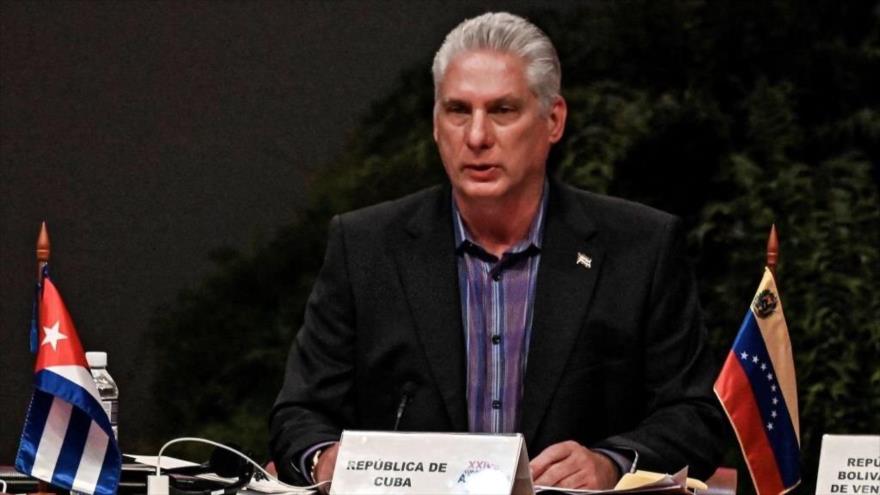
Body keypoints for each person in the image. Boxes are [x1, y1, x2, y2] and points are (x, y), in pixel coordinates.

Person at [269, 12, 723, 491]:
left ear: (553, 121)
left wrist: (612, 462)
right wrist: (324, 460)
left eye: (502, 110)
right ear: (435, 124)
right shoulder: (365, 247)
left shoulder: (640, 246)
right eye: (458, 110)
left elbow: (695, 417)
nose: (477, 137)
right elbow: (299, 413)